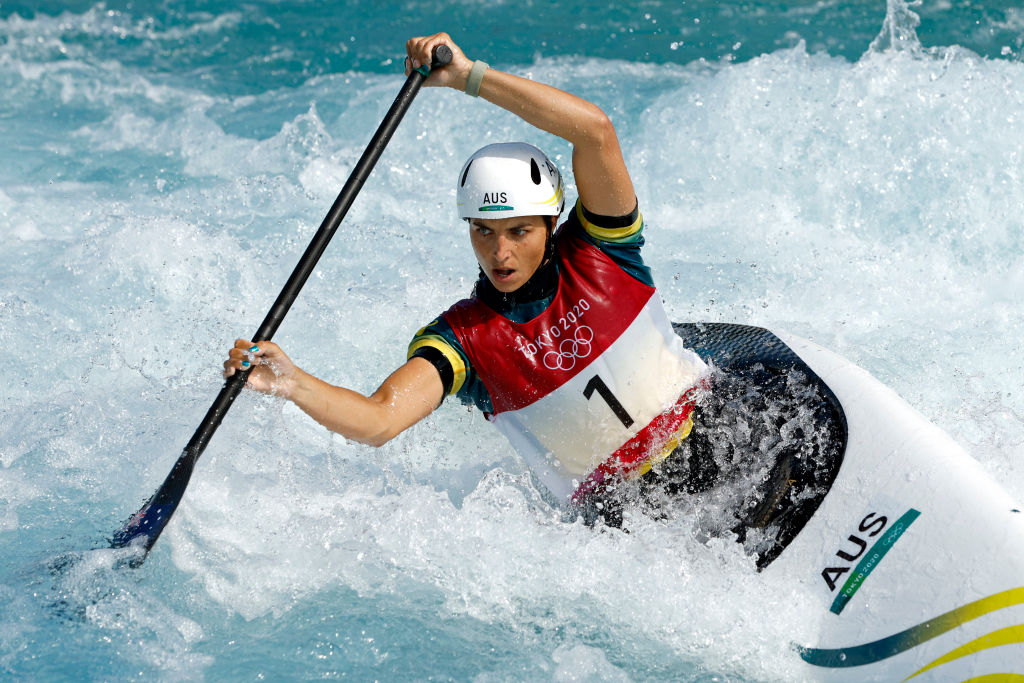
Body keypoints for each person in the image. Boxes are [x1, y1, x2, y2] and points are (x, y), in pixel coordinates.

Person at [224, 33, 827, 550]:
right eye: (484, 232)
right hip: (633, 524)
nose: (500, 253)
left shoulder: (603, 250)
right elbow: (379, 419)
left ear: (550, 221)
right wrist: (292, 383)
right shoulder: (463, 341)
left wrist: (469, 77)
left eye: (519, 232)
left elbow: (594, 131)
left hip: (722, 435)